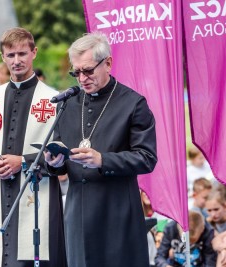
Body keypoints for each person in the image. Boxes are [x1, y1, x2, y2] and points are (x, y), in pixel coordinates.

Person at [44, 32, 157, 266]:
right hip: (78, 210)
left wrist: (102, 160)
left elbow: (147, 158)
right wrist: (54, 162)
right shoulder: (68, 104)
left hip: (117, 210)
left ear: (108, 63)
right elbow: (60, 149)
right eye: (76, 72)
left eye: (88, 71)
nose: (82, 78)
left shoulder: (133, 103)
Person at [0, 27, 67, 267]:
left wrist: (22, 161)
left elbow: (62, 153)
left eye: (22, 54)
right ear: (3, 57)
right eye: (10, 55)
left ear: (34, 52)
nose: (17, 60)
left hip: (37, 198)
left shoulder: (53, 100)